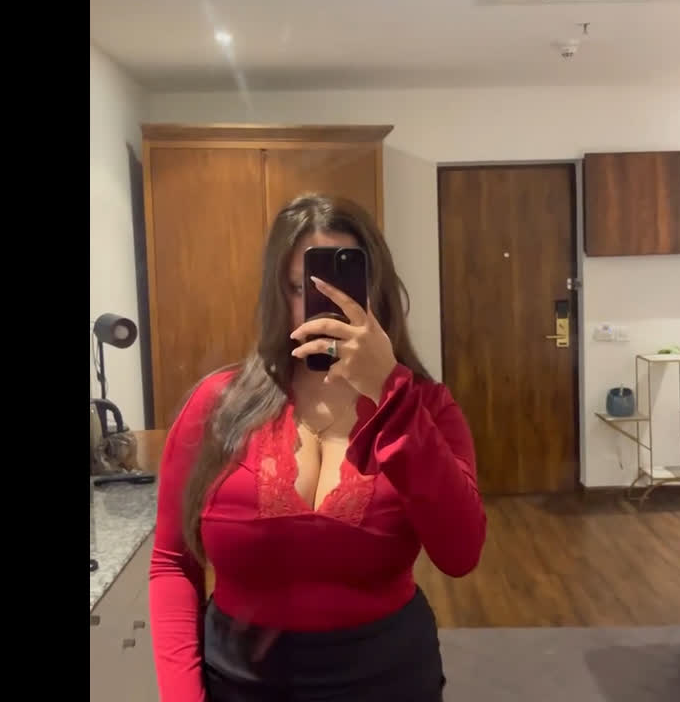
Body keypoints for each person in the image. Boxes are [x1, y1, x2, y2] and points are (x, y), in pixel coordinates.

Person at [148, 194, 487, 701]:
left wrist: (391, 395)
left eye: (344, 287)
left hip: (388, 680)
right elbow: (173, 563)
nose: (323, 308)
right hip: (237, 683)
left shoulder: (427, 408)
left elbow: (460, 553)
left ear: (376, 290)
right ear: (277, 294)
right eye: (300, 287)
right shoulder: (215, 405)